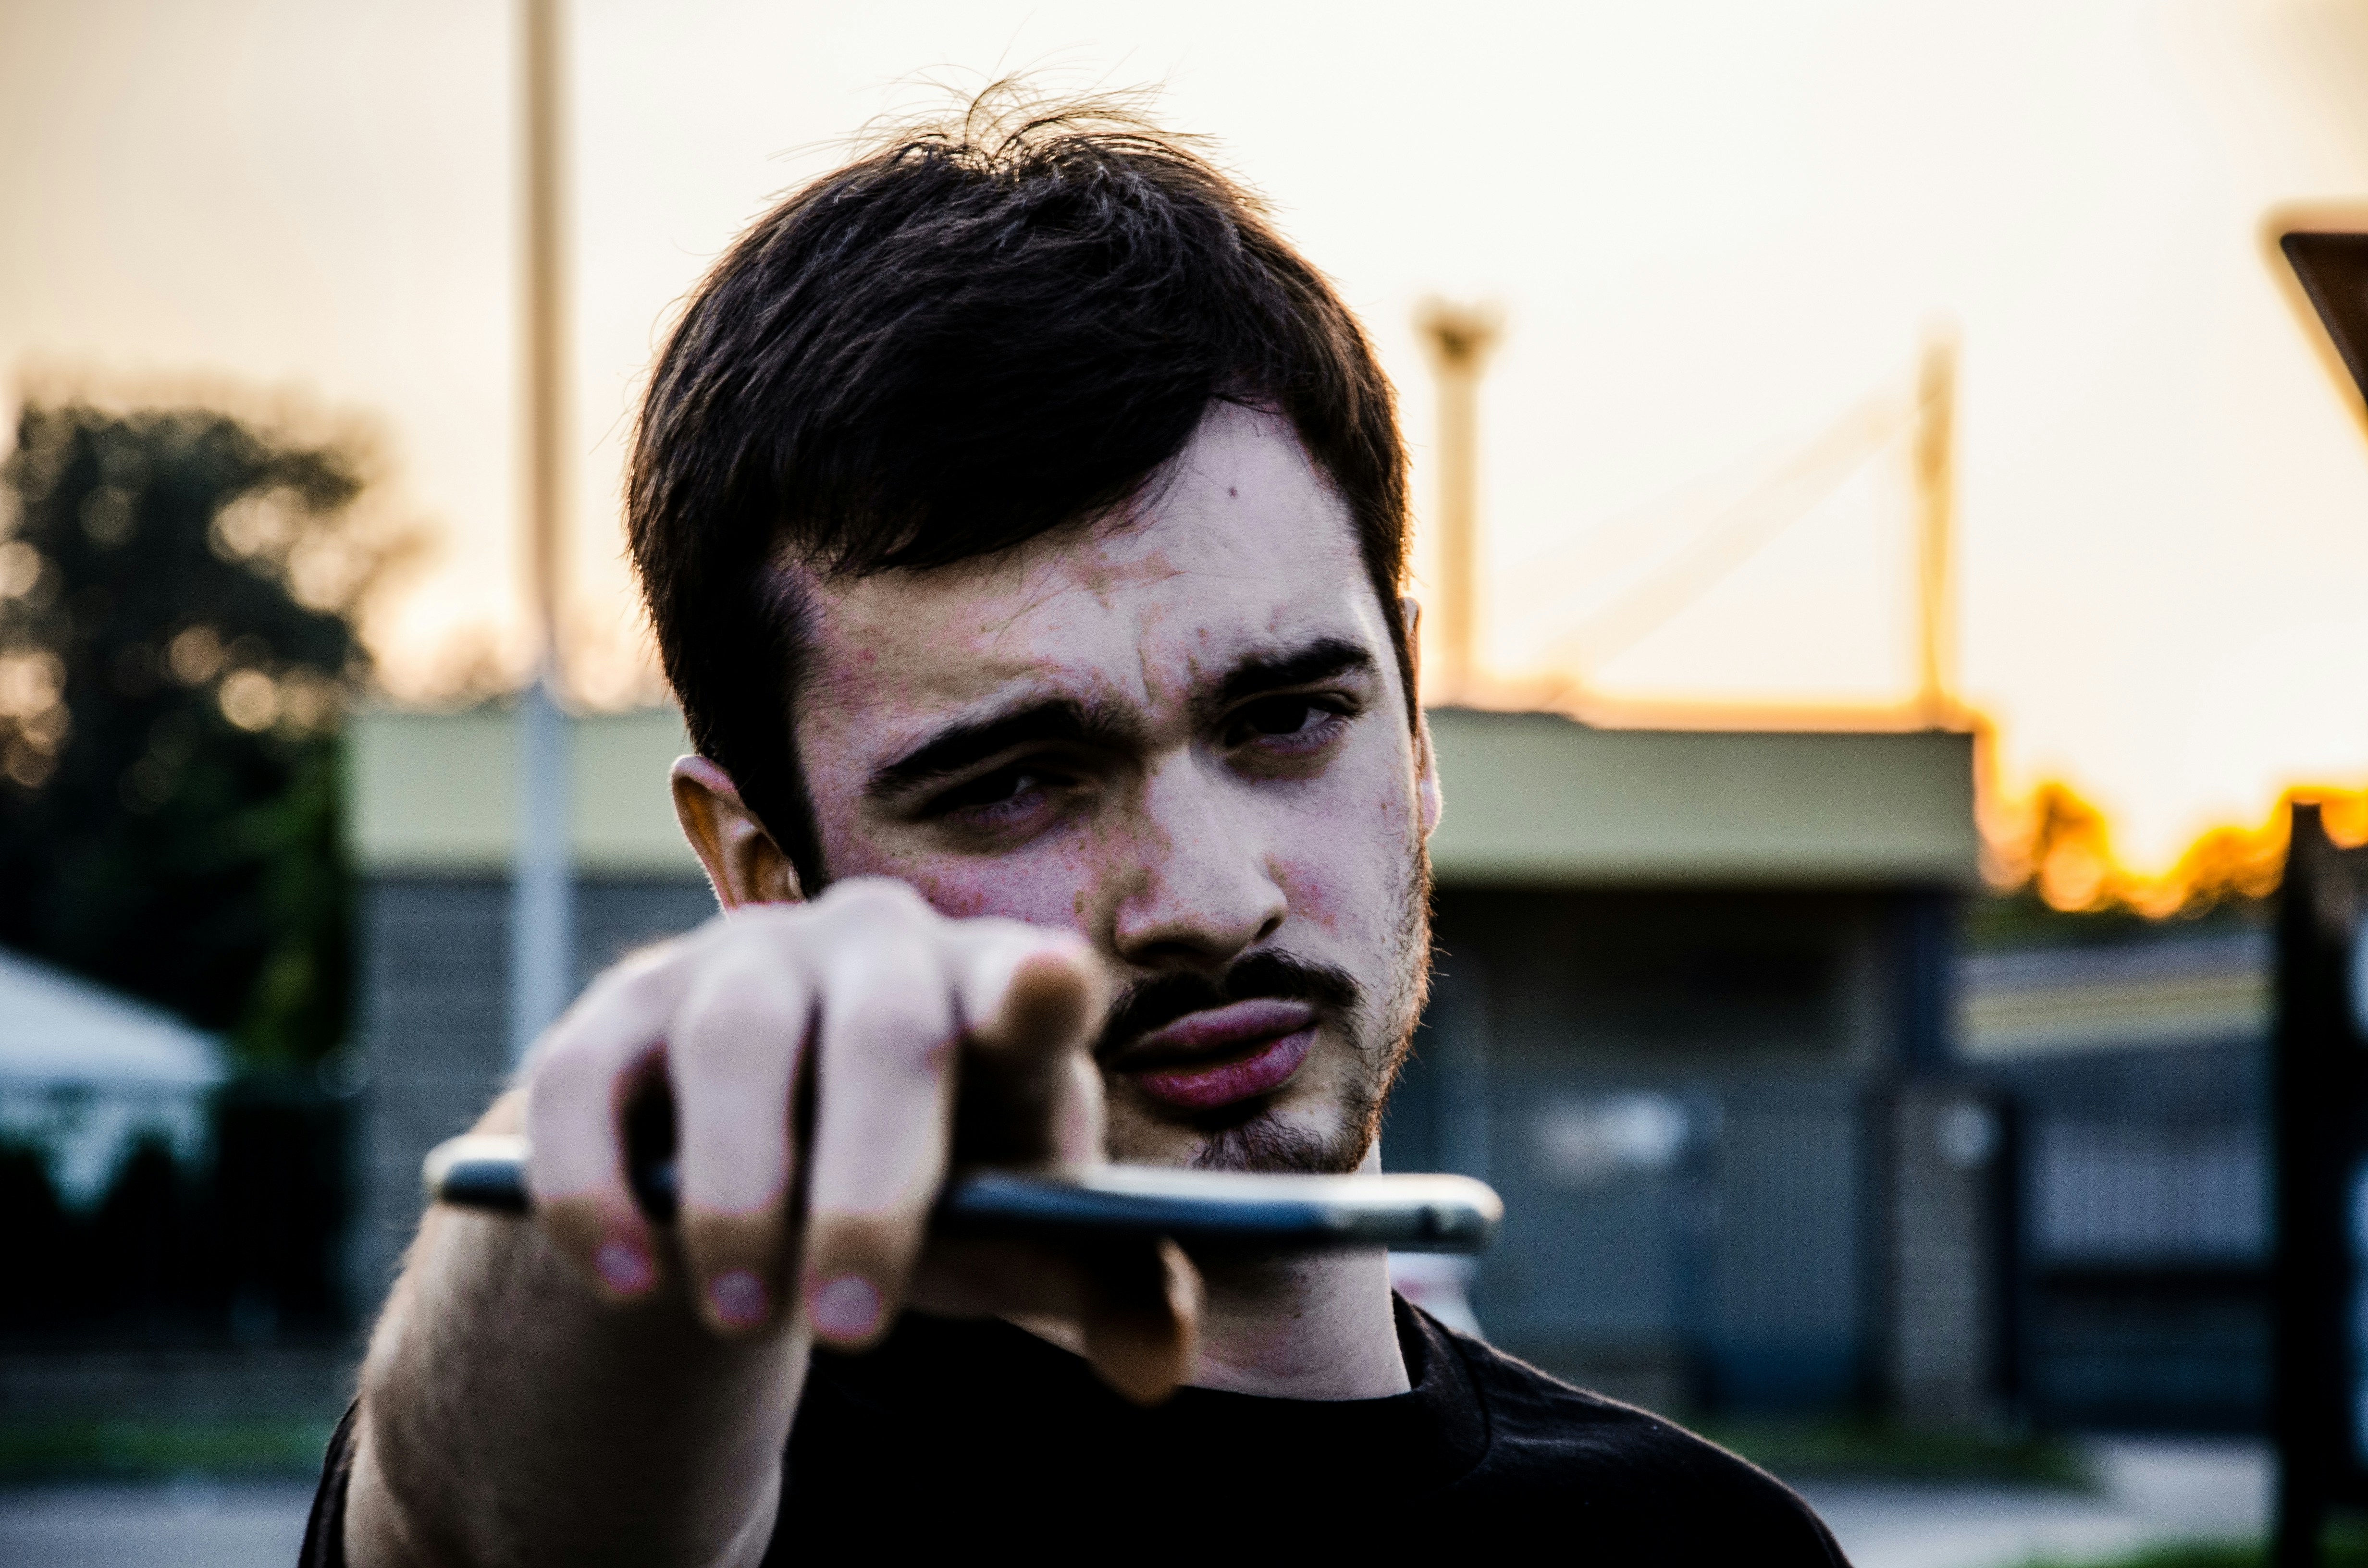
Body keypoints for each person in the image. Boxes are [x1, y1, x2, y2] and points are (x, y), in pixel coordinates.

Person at [303, 90, 1847, 1565]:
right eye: (1013, 782)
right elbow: (479, 1531)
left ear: (1417, 722)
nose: (1203, 896)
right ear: (766, 875)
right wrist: (632, 1149)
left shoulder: (1716, 1550)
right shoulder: (684, 1477)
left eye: (1287, 719)